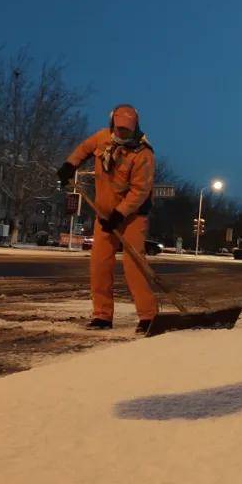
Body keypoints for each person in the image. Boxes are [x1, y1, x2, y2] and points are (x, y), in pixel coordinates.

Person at [57, 104, 157, 332]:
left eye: (127, 131)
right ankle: (102, 315)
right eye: (119, 130)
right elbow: (83, 149)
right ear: (112, 124)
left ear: (136, 127)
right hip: (103, 214)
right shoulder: (102, 138)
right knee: (100, 265)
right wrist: (69, 165)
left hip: (132, 216)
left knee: (134, 265)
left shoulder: (143, 154)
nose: (122, 134)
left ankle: (148, 316)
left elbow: (140, 191)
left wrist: (119, 213)